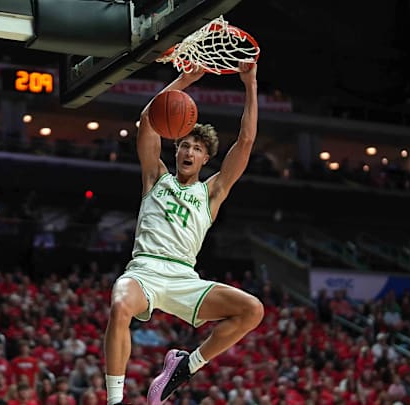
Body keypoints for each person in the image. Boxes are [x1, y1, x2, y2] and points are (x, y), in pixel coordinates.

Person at [103, 60, 263, 405]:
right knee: (119, 305)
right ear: (175, 150)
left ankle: (185, 368)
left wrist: (249, 83)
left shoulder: (212, 192)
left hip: (183, 278)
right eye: (184, 145)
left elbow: (247, 140)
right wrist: (186, 78)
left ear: (206, 158)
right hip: (144, 271)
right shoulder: (155, 177)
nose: (189, 151)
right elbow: (148, 119)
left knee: (252, 310)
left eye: (197, 148)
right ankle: (114, 401)